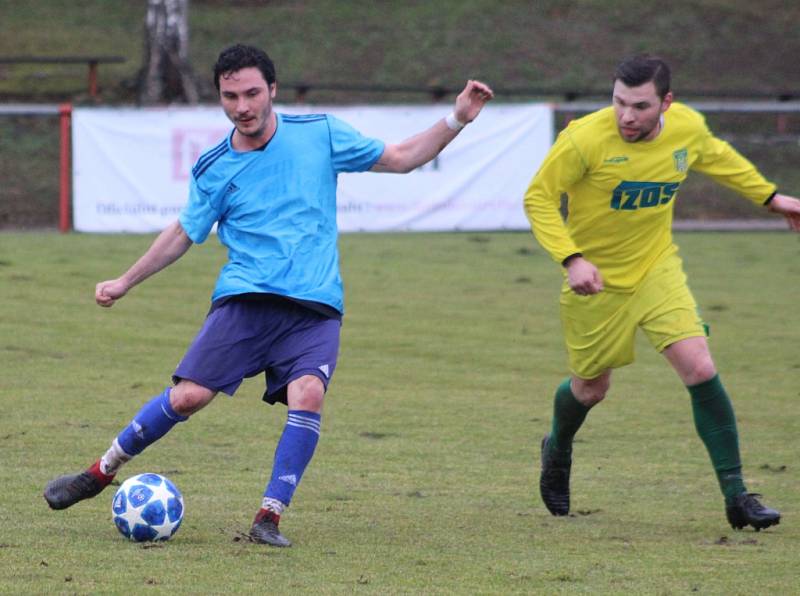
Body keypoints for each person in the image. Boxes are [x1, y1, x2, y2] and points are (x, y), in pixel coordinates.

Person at [44, 44, 494, 547]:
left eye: (253, 93)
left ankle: (268, 517)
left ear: (272, 90)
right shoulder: (214, 167)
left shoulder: (319, 134)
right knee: (190, 396)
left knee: (309, 393)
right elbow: (182, 233)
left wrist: (457, 119)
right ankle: (100, 472)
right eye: (231, 96)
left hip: (315, 306)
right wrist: (126, 280)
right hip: (246, 300)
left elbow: (402, 158)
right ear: (220, 98)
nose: (243, 106)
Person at [523, 54, 800, 531]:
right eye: (619, 103)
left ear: (666, 103)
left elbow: (717, 157)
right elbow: (538, 198)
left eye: (640, 106)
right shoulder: (584, 139)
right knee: (591, 388)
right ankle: (558, 448)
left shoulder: (686, 128)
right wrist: (572, 259)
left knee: (700, 366)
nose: (627, 116)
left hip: (656, 268)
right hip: (597, 282)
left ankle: (738, 496)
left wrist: (771, 199)